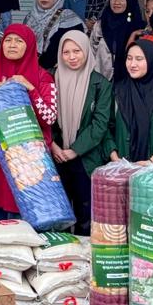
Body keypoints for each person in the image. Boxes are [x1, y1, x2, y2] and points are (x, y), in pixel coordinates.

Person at [0, 25, 57, 219]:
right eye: (8, 40)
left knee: (25, 216)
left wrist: (30, 89)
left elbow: (50, 117)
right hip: (0, 158)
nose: (12, 45)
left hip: (30, 163)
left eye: (19, 41)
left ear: (30, 46)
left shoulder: (43, 77)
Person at [51, 31, 113, 235]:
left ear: (86, 50)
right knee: (57, 215)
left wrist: (75, 150)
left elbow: (100, 124)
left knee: (85, 214)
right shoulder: (51, 79)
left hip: (86, 157)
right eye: (66, 52)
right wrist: (53, 145)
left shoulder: (100, 84)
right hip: (56, 156)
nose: (72, 57)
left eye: (77, 51)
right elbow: (44, 118)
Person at [22, 0, 83, 70]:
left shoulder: (67, 17)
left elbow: (72, 46)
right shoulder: (29, 18)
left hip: (56, 70)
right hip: (28, 67)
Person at [89, 0, 145, 79]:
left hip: (129, 80)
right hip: (102, 80)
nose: (116, 2)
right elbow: (91, 51)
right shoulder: (101, 25)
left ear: (130, 1)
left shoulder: (139, 28)